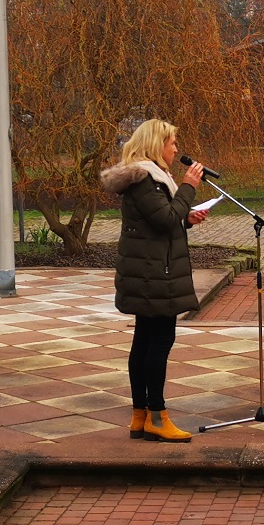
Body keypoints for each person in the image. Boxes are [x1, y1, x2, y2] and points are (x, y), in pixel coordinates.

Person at [102, 119, 205, 443]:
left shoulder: (150, 178)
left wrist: (186, 218)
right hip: (152, 274)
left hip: (151, 270)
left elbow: (162, 221)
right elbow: (162, 219)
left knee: (145, 341)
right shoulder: (145, 178)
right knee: (157, 343)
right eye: (172, 143)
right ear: (155, 144)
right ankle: (156, 417)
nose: (176, 149)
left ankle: (141, 416)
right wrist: (188, 188)